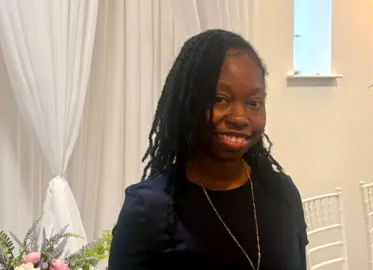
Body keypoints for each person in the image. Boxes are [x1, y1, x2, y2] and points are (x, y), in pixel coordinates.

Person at [108, 29, 308, 270]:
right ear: (188, 102)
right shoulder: (149, 209)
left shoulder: (282, 194)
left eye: (254, 103)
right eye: (220, 99)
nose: (239, 117)